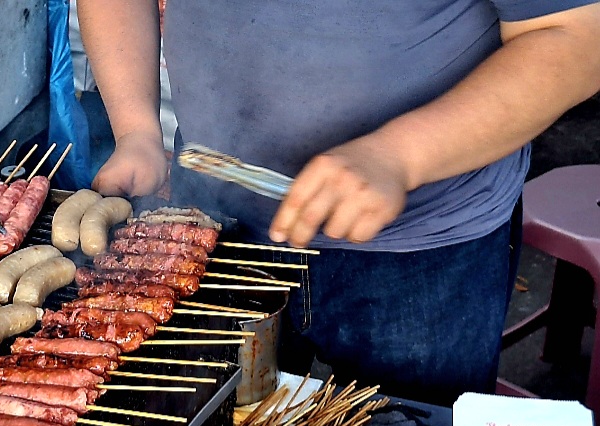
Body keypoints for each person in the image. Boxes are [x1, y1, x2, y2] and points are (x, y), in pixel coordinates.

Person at [77, 0, 600, 404]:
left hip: (422, 253)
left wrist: (402, 156)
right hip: (212, 227)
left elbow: (576, 35)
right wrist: (137, 129)